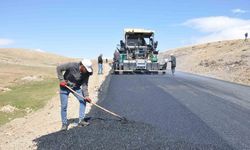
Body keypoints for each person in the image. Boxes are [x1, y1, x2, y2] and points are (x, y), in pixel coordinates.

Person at [56, 59, 93, 131]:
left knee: (83, 101)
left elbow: (85, 85)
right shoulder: (72, 65)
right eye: (86, 69)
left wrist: (86, 96)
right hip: (65, 86)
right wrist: (61, 80)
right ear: (82, 66)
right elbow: (59, 68)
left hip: (76, 88)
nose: (86, 71)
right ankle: (64, 124)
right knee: (64, 106)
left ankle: (81, 121)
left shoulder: (87, 73)